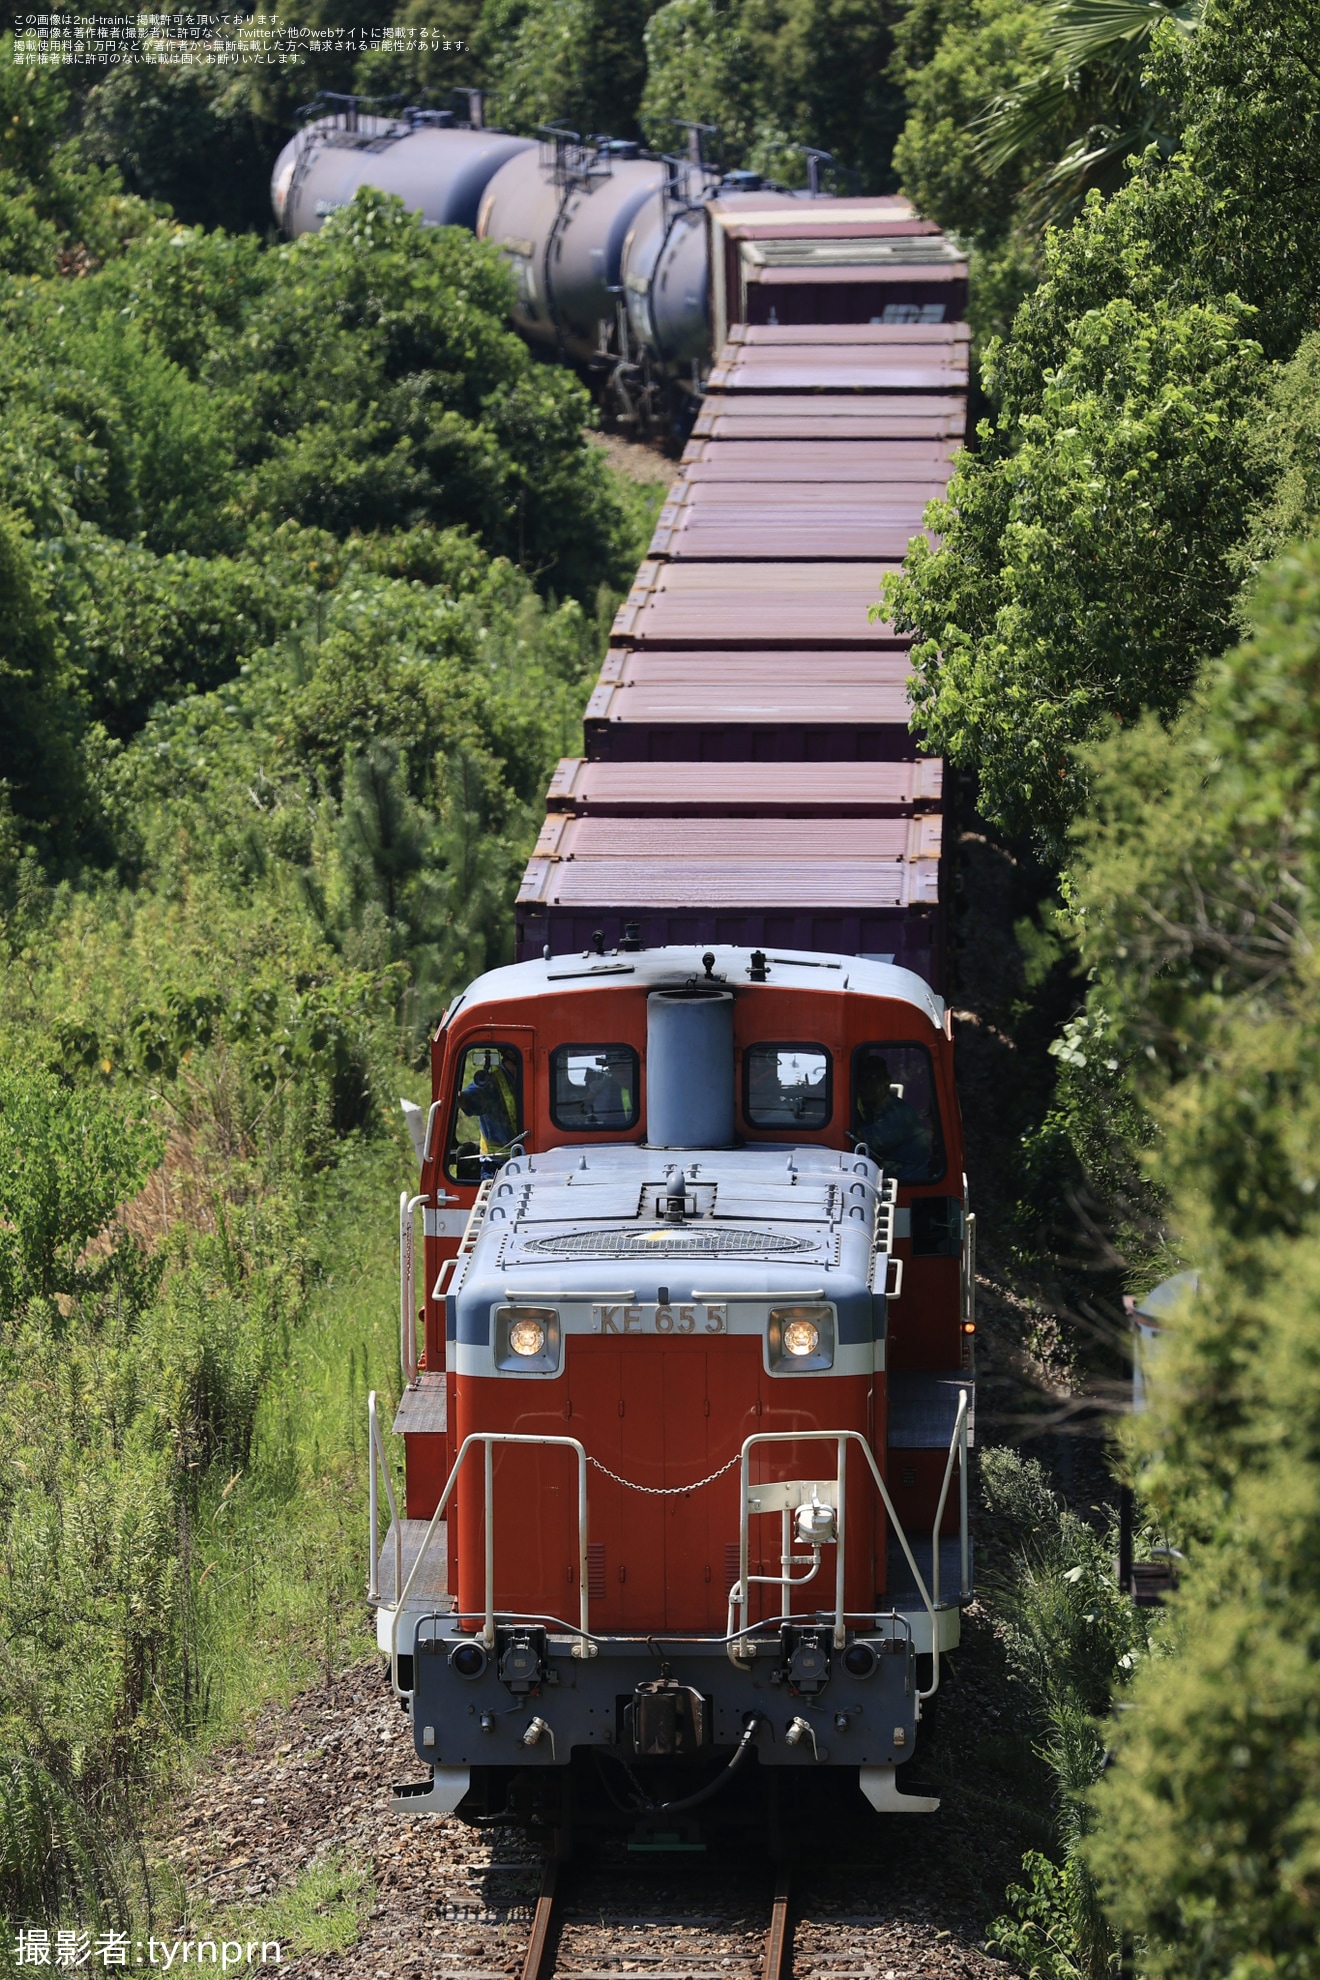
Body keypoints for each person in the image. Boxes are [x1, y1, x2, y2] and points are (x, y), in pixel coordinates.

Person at [853, 1054, 933, 1180]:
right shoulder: (871, 1109)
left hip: (910, 1183)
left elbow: (862, 1141)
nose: (866, 1085)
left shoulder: (899, 1114)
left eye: (873, 1078)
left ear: (886, 1082)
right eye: (862, 1080)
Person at [459, 1050, 520, 1175]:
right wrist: (459, 1098)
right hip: (496, 1167)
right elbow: (471, 1098)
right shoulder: (491, 1083)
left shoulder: (533, 1079)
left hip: (530, 1162)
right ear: (511, 1054)